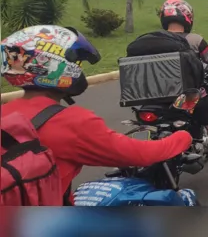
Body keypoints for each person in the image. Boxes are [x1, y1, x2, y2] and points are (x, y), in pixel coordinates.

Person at [1, 25, 193, 205]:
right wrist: (182, 137)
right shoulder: (71, 122)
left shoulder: (6, 113)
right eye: (75, 63)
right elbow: (138, 154)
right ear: (50, 66)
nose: (79, 69)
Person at [157, 0, 208, 182]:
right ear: (187, 17)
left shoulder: (154, 41)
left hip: (157, 99)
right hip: (189, 98)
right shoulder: (195, 40)